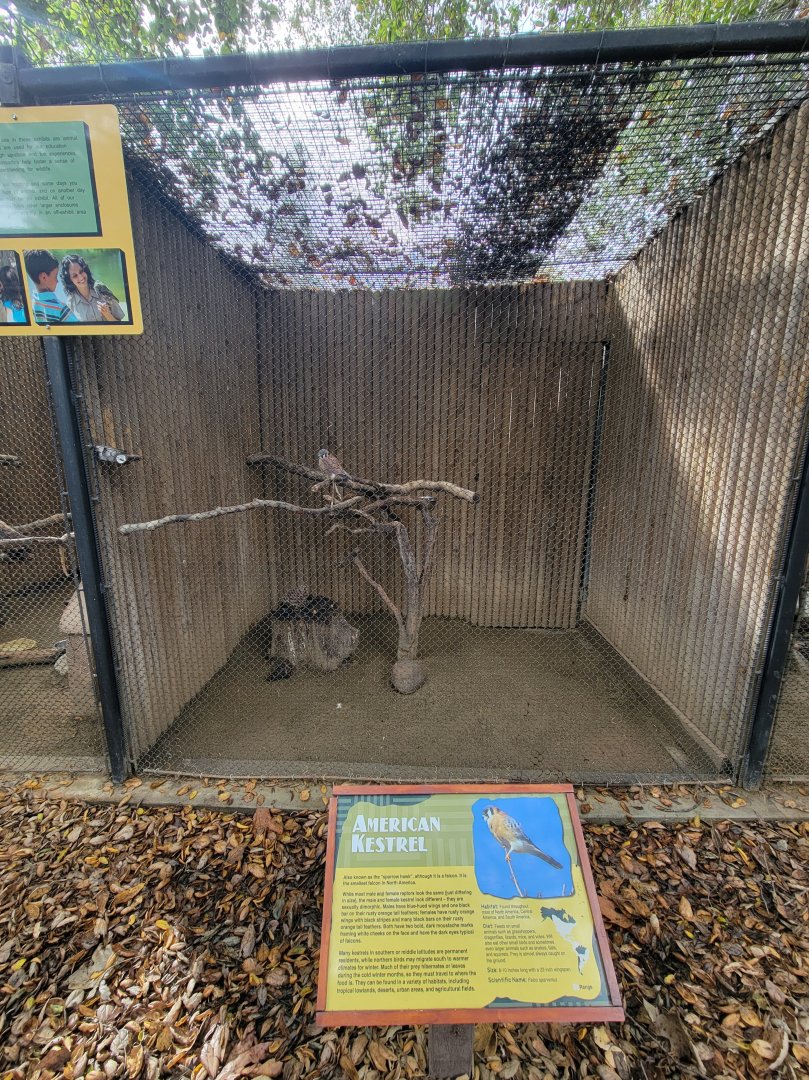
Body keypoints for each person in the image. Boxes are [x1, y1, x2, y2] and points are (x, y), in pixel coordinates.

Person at [59, 254, 124, 323]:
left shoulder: (101, 289)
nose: (80, 277)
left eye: (81, 271)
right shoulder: (70, 304)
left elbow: (121, 325)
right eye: (75, 276)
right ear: (69, 280)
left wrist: (108, 315)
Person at [24, 249, 78, 325]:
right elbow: (80, 331)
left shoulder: (31, 305)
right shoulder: (61, 309)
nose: (57, 281)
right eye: (55, 276)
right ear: (43, 277)